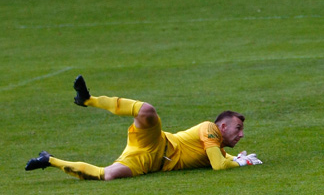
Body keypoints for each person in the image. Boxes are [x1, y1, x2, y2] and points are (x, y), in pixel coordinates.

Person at [24, 75, 263, 181]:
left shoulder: (218, 149)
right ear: (222, 126)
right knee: (146, 110)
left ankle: (49, 160)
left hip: (149, 163)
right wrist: (240, 163)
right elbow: (219, 167)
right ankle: (88, 100)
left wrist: (238, 158)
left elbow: (221, 158)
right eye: (238, 128)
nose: (241, 134)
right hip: (158, 143)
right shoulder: (209, 129)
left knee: (108, 175)